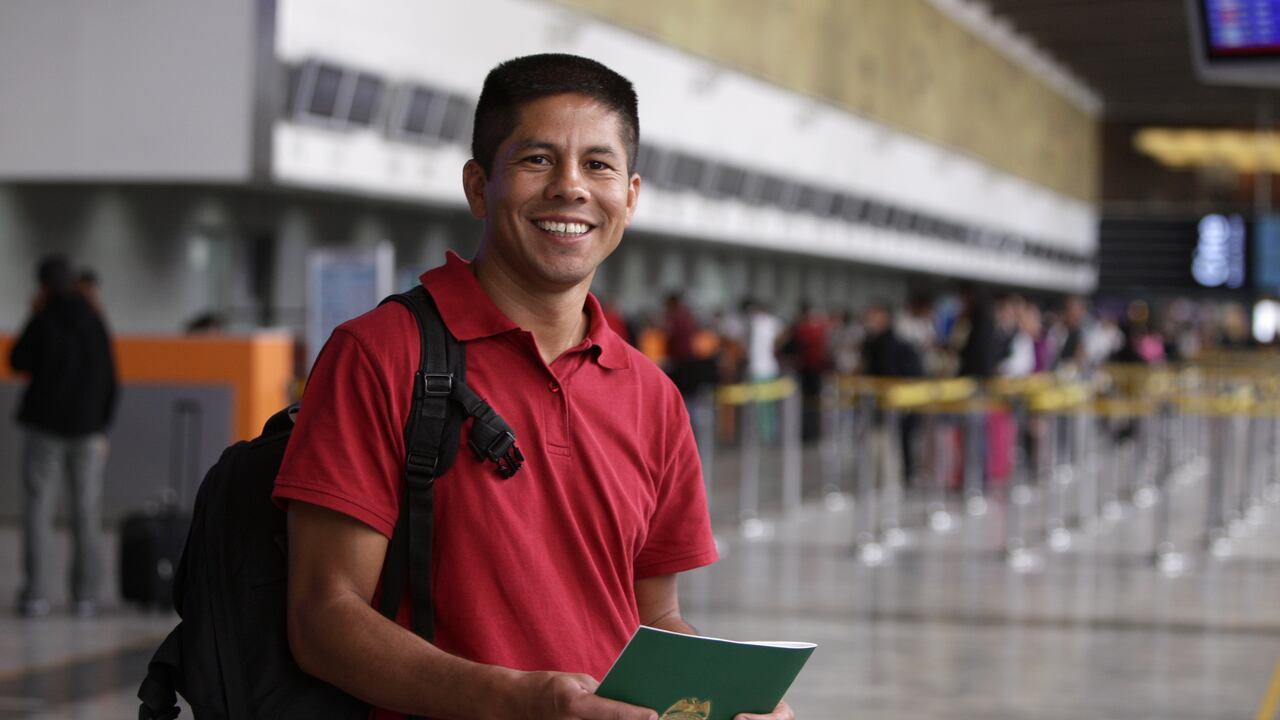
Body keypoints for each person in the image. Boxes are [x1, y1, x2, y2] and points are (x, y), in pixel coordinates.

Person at [273, 54, 794, 720]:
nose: (571, 188)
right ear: (477, 187)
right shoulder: (380, 355)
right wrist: (519, 701)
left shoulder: (651, 396)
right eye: (537, 160)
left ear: (630, 197)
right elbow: (323, 618)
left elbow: (654, 617)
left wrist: (725, 701)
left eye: (598, 165)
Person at [10, 254, 118, 618]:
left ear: (42, 285)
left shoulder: (43, 319)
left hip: (44, 429)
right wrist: (103, 425)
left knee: (39, 510)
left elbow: (16, 360)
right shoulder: (94, 320)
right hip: (87, 431)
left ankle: (36, 594)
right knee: (86, 512)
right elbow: (111, 379)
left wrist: (33, 313)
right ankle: (84, 596)